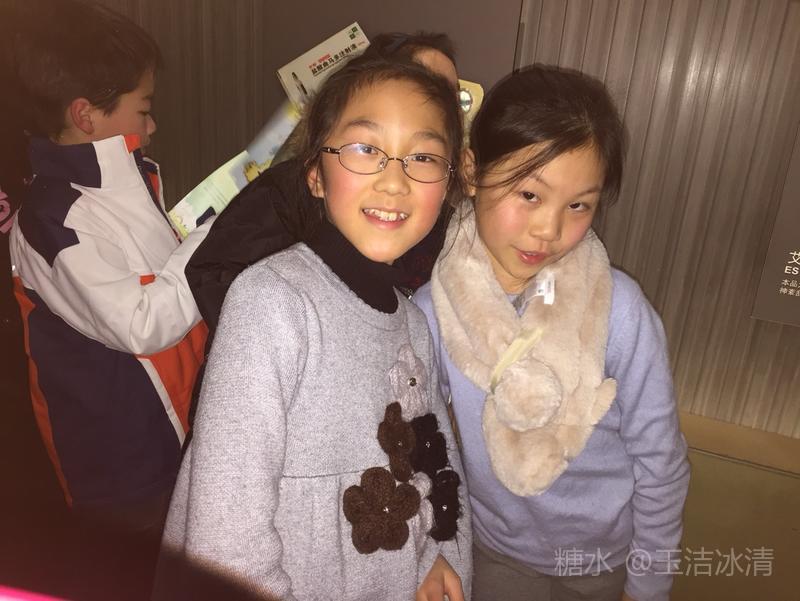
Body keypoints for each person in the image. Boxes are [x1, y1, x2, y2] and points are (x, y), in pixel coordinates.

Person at [154, 53, 472, 601]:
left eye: (422, 156)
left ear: (447, 183)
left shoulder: (413, 324)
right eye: (365, 148)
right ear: (315, 176)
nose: (394, 181)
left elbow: (434, 463)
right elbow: (226, 543)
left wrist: (436, 553)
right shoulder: (270, 303)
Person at [413, 64, 690, 601]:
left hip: (601, 558)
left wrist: (648, 585)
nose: (549, 229)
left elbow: (661, 462)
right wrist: (433, 547)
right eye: (529, 194)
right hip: (494, 551)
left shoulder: (621, 311)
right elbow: (423, 447)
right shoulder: (433, 311)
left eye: (578, 205)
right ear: (471, 171)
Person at [8, 0, 210, 536]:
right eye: (143, 109)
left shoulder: (128, 179)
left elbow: (165, 277)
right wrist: (217, 237)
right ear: (86, 115)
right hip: (120, 469)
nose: (153, 124)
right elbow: (141, 323)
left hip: (175, 427)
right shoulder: (50, 222)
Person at [185, 32, 460, 345]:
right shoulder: (286, 204)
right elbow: (214, 270)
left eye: (448, 91)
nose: (394, 183)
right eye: (419, 76)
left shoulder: (417, 323)